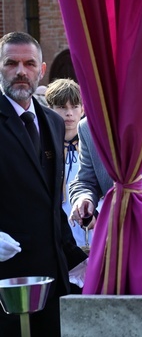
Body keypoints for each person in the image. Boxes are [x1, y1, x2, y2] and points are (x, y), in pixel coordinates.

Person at [0, 31, 86, 337]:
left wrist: (81, 256)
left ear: (42, 70)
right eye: (11, 63)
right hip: (5, 279)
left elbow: (52, 204)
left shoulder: (52, 121)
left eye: (29, 64)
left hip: (52, 279)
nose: (21, 72)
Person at [44, 79, 95, 248]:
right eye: (62, 107)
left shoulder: (95, 147)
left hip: (92, 227)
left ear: (83, 109)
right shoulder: (42, 147)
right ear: (49, 109)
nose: (69, 114)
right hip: (56, 233)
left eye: (74, 106)